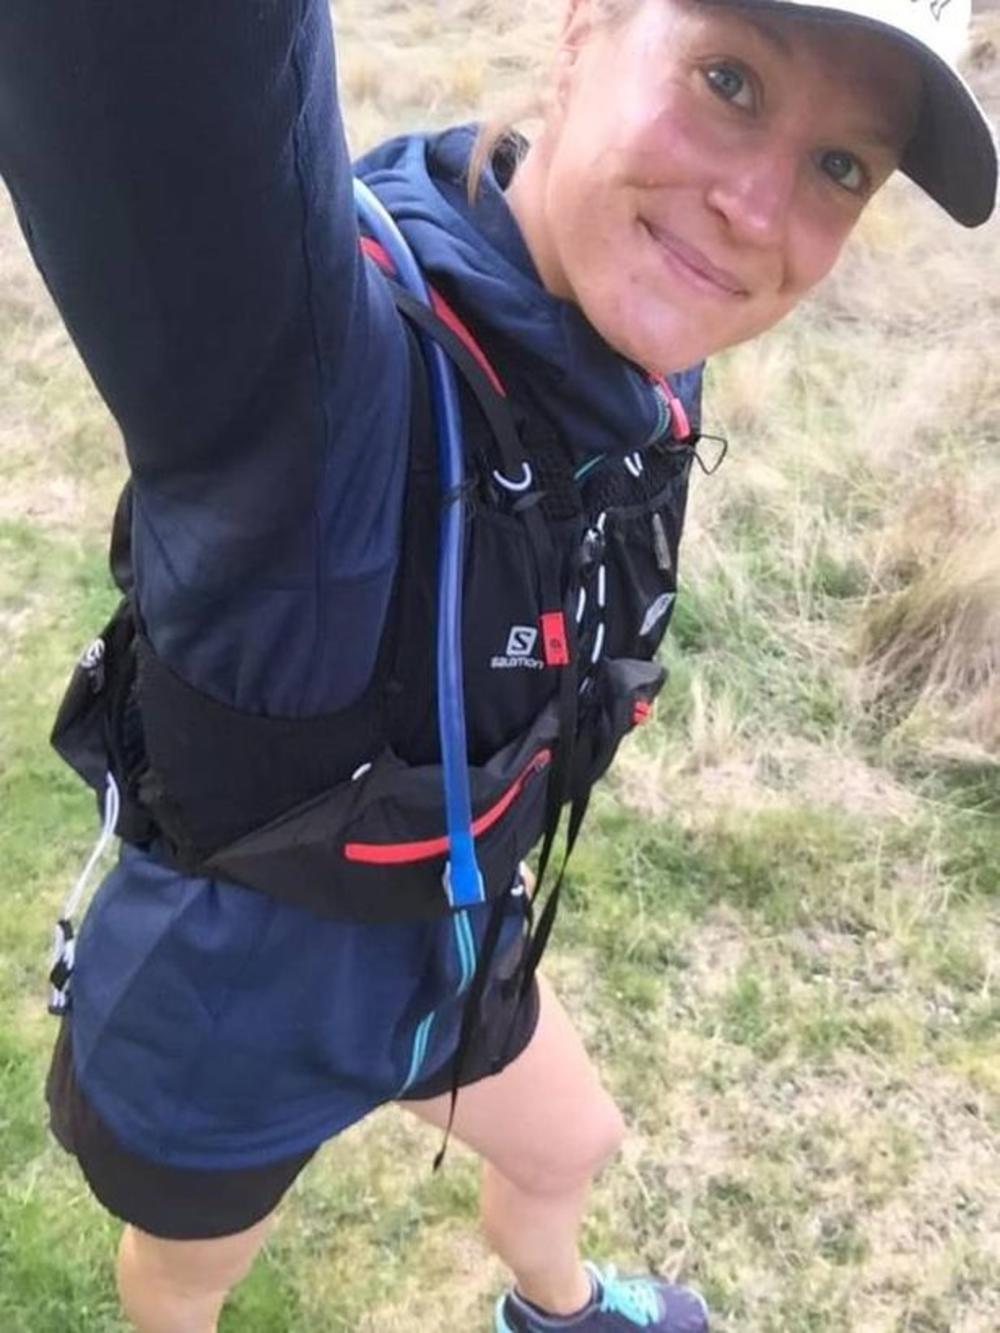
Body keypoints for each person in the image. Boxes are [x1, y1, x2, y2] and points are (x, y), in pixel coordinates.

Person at [0, 0, 995, 1330]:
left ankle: (559, 1306)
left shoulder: (638, 371)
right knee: (188, 1280)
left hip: (451, 942)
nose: (758, 213)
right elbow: (144, 56)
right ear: (583, 33)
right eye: (728, 79)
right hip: (233, 1008)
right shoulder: (307, 377)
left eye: (839, 165)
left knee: (572, 1145)